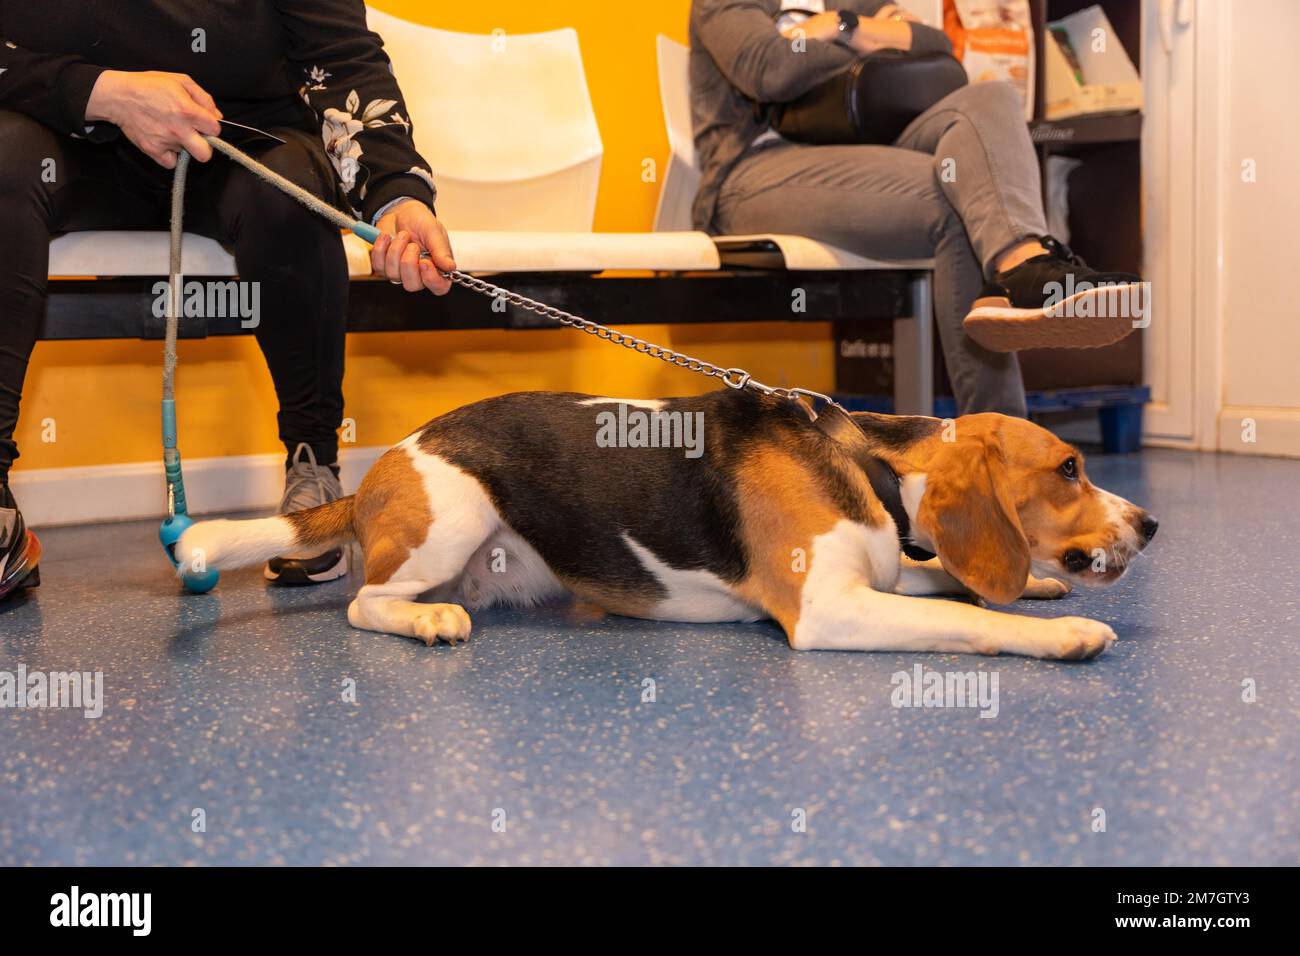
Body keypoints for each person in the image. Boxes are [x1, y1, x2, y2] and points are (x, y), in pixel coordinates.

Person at [0, 1, 457, 600]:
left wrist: (397, 194)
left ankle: (312, 465)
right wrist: (100, 91)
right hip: (57, 133)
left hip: (241, 141)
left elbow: (341, 59)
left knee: (287, 188)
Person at [690, 0, 1141, 416]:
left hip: (858, 147)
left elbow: (935, 46)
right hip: (752, 173)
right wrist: (876, 36)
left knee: (991, 97)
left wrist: (839, 25)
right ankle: (1002, 450)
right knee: (952, 204)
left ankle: (1023, 265)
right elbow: (770, 70)